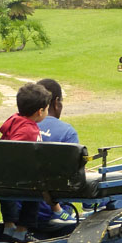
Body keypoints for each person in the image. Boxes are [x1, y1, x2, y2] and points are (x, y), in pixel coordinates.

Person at [0, 82, 51, 242]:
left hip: (2, 177)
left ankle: (9, 226)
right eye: (47, 109)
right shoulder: (30, 129)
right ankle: (22, 230)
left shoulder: (14, 120)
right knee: (36, 189)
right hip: (18, 178)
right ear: (40, 111)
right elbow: (17, 151)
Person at [36, 78, 80, 225]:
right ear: (56, 102)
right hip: (53, 212)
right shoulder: (67, 132)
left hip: (20, 210)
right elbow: (74, 177)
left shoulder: (19, 128)